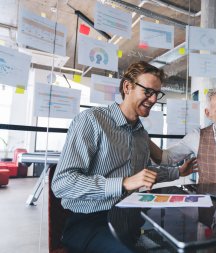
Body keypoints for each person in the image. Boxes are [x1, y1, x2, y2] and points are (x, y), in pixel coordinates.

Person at [51, 61, 192, 253]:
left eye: (157, 94)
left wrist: (178, 172)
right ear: (127, 87)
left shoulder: (141, 133)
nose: (153, 100)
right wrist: (123, 183)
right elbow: (62, 183)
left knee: (177, 244)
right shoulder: (91, 120)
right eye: (148, 92)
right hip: (90, 221)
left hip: (129, 217)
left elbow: (143, 174)